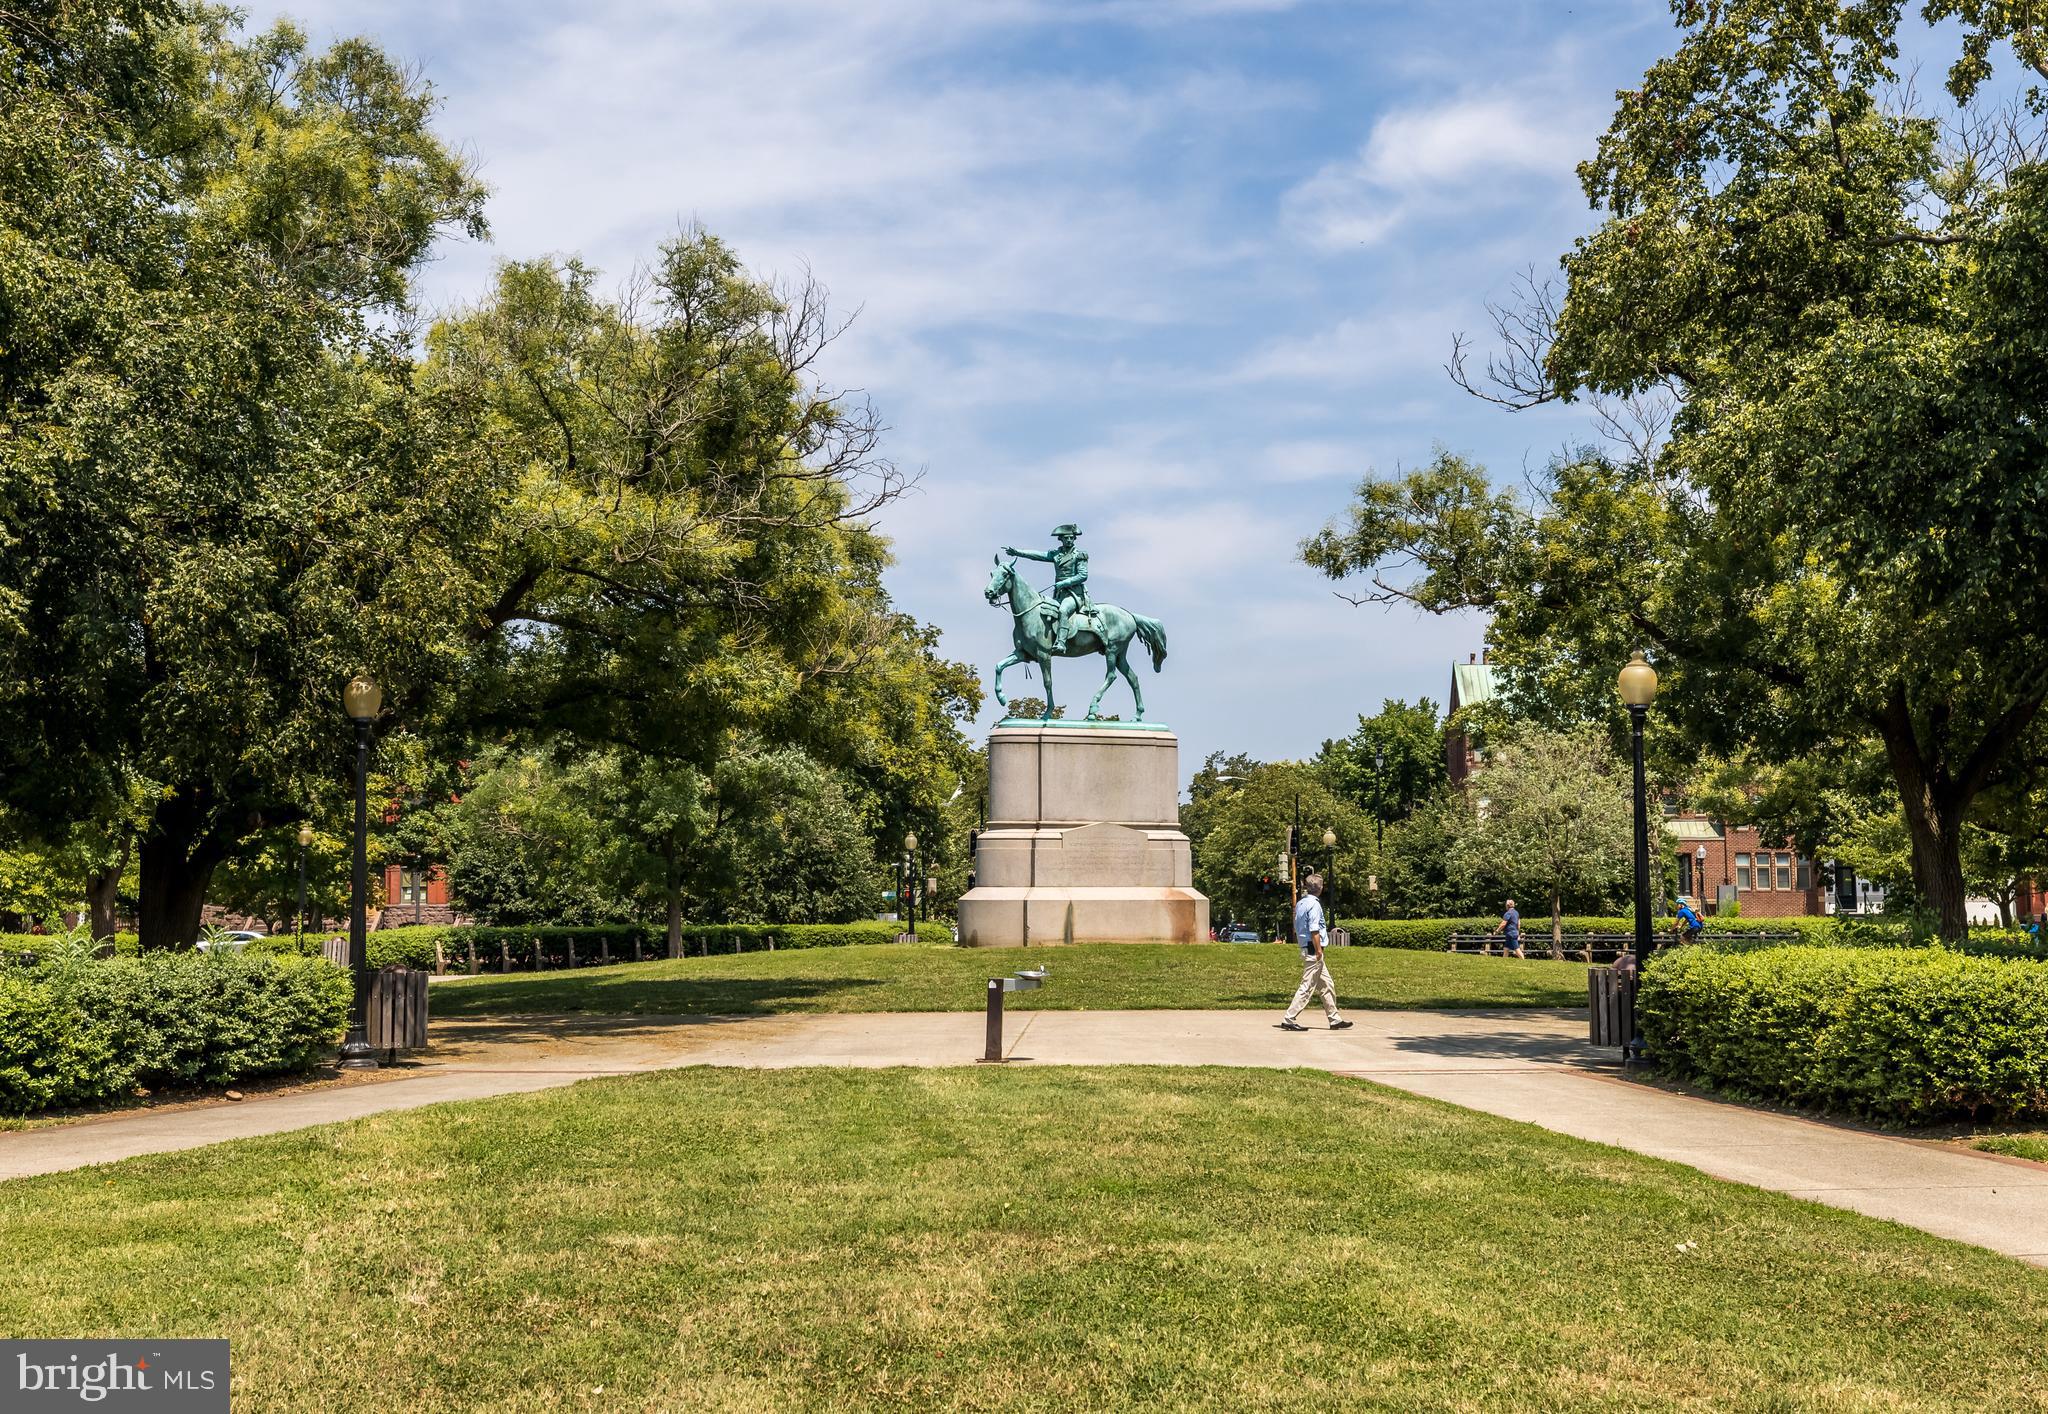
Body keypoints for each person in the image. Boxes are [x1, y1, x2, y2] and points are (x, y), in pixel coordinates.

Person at [1002, 523, 1096, 652]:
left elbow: (1083, 575)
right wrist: (1018, 552)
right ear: (1061, 539)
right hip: (1059, 595)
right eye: (1066, 538)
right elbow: (1037, 555)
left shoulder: (1080, 555)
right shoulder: (1056, 555)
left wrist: (1064, 583)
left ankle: (1061, 643)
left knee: (1063, 611)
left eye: (1071, 538)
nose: (1069, 540)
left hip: (1075, 595)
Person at [1278, 875, 1352, 1032]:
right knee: (1307, 986)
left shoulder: (1301, 903)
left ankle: (1334, 1019)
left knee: (1326, 985)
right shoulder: (1314, 905)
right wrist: (1319, 950)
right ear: (1320, 888)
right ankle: (1289, 1018)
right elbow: (1314, 929)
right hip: (1314, 950)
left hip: (1307, 947)